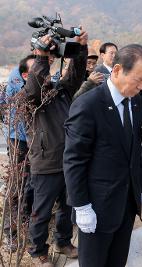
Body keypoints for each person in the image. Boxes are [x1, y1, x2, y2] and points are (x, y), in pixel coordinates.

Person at [64, 44, 142, 267]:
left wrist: (138, 188)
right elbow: (74, 161)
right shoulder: (88, 105)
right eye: (137, 80)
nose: (141, 87)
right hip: (96, 208)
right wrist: (81, 205)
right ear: (118, 70)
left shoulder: (136, 102)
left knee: (117, 261)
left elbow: (135, 150)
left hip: (126, 205)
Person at [22, 31, 88, 266]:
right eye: (39, 68)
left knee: (67, 207)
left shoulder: (60, 92)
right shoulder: (30, 100)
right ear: (28, 75)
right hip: (46, 162)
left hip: (67, 160)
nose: (44, 70)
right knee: (41, 210)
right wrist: (40, 56)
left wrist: (80, 49)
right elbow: (34, 86)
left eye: (47, 64)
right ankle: (38, 250)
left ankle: (63, 241)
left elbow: (76, 75)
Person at [2, 55, 35, 251]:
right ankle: (10, 234)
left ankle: (25, 228)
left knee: (30, 187)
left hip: (35, 140)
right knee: (15, 187)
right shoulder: (17, 75)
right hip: (19, 139)